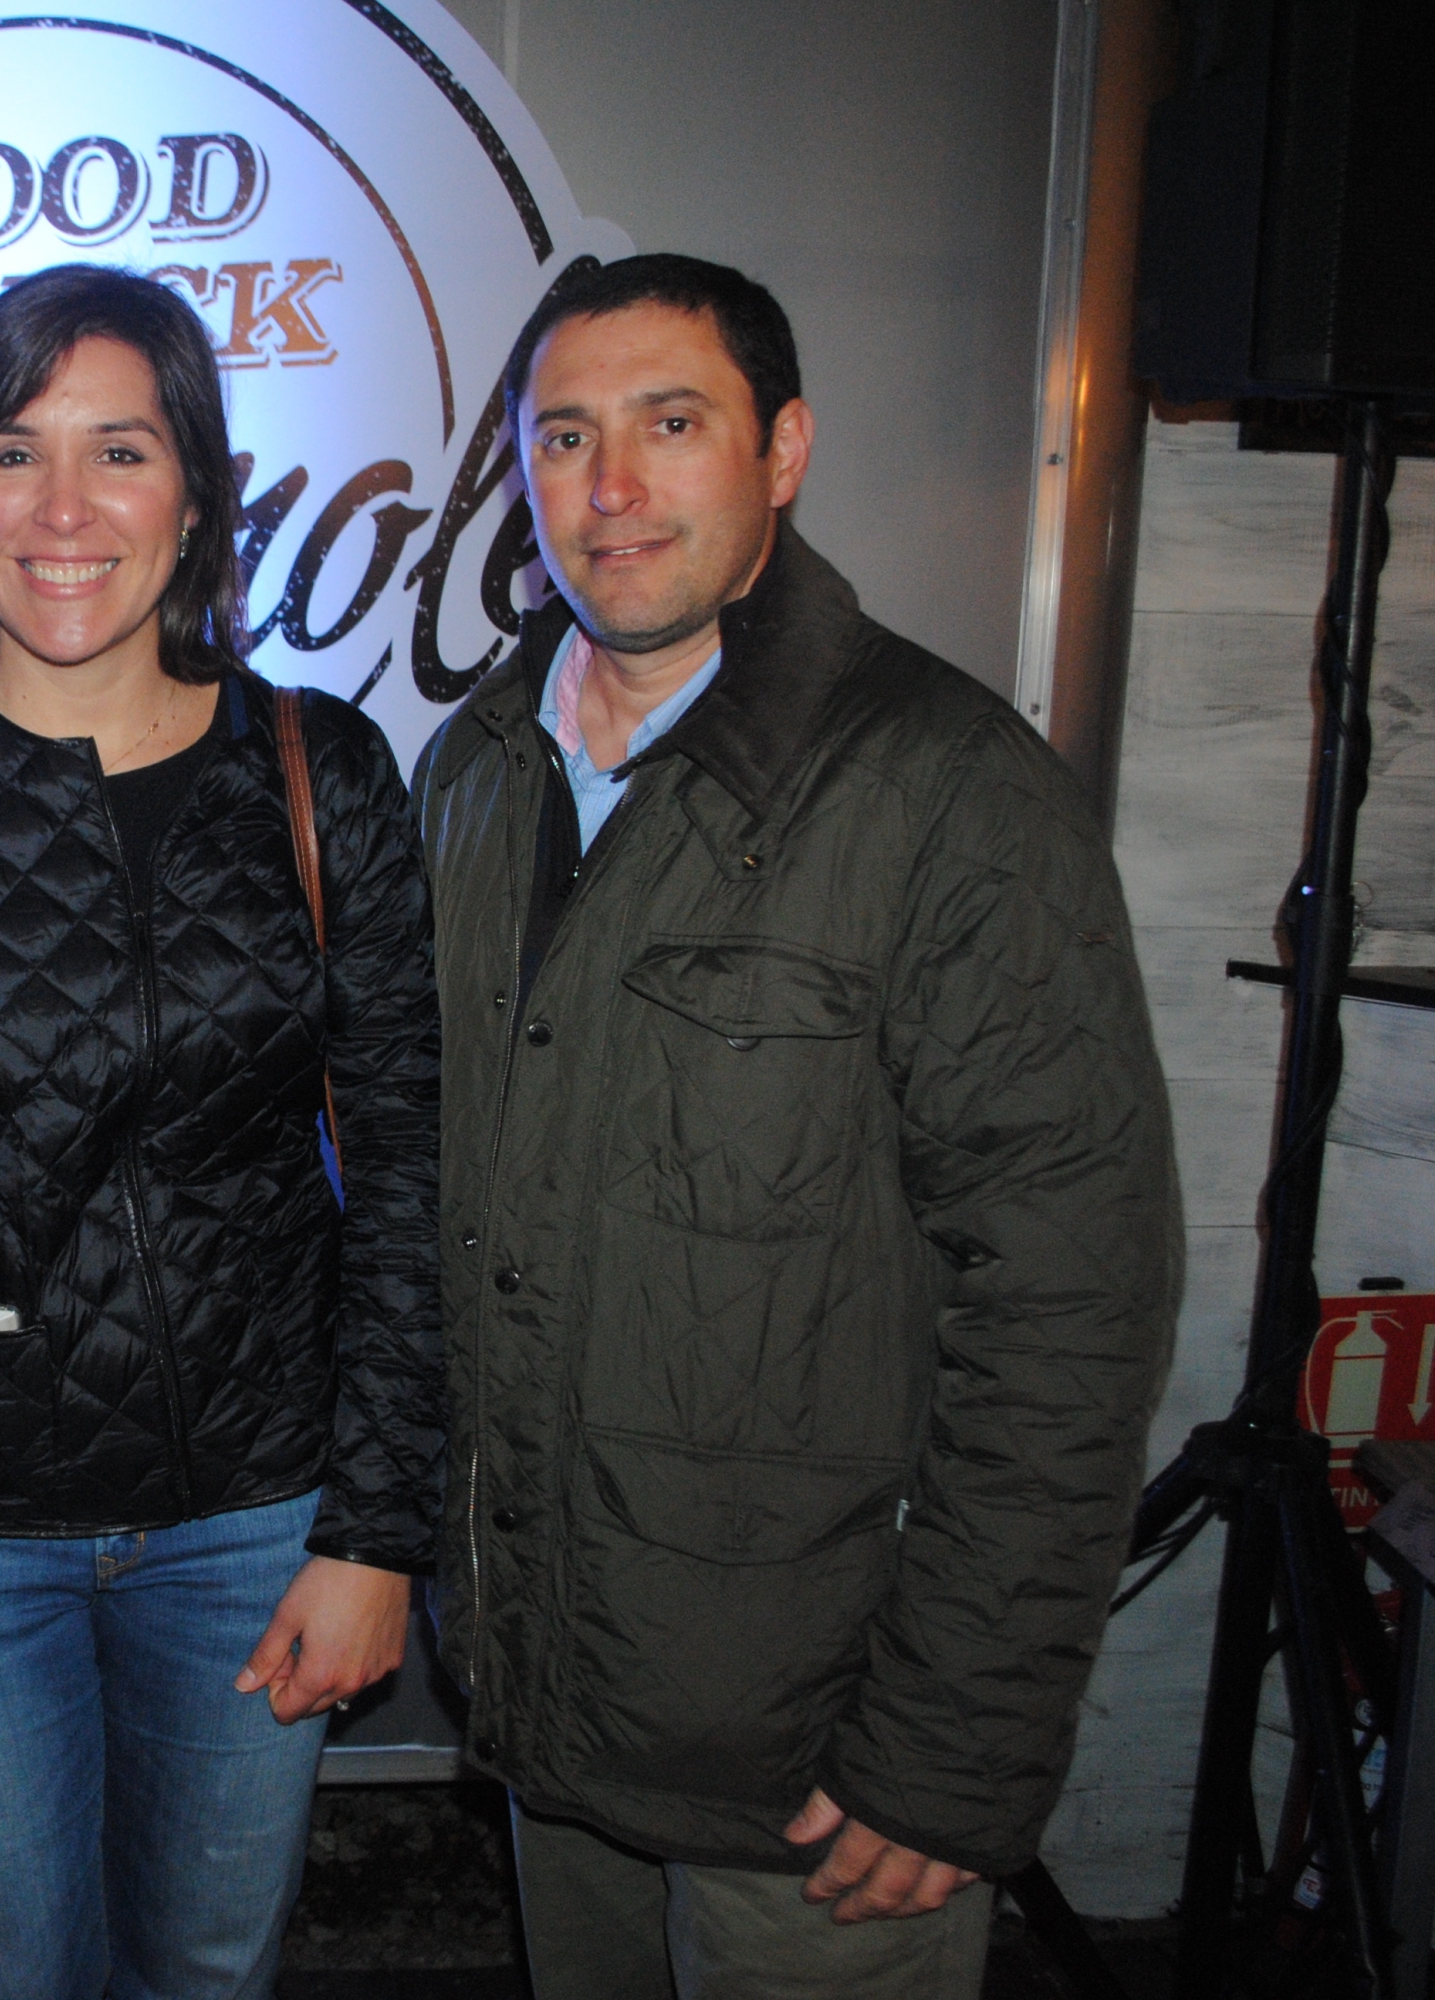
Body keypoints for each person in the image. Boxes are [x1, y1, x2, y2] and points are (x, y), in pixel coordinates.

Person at [412, 252, 1180, 1999]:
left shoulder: (950, 794)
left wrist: (952, 1747)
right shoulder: (474, 774)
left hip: (826, 1781)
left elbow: (1071, 1303)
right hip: (554, 1709)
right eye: (564, 437)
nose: (609, 489)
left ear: (786, 451)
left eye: (669, 426)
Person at [0, 262, 449, 2000]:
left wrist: (374, 1532)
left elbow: (418, 1179)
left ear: (194, 492)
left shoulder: (319, 767)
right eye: (10, 451)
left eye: (118, 451)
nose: (63, 510)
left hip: (253, 1523)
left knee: (207, 1972)